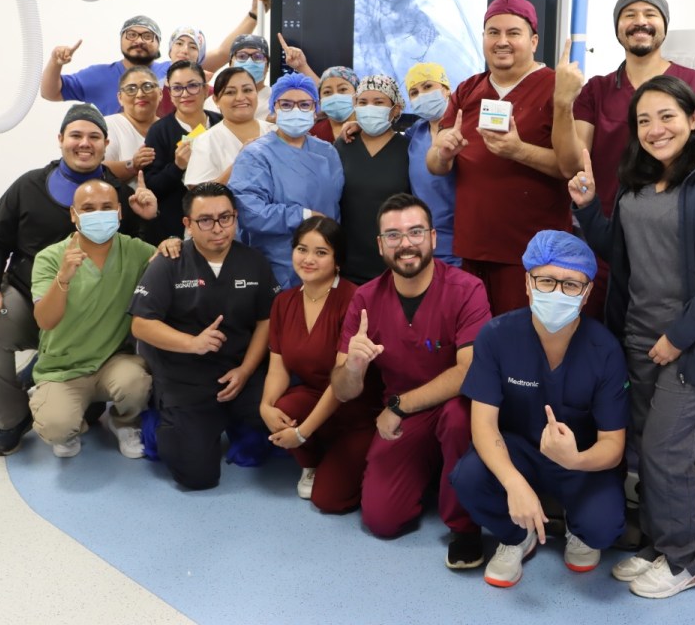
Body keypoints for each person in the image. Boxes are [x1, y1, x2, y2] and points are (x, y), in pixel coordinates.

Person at [572, 75, 695, 599]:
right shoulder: (635, 181)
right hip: (637, 338)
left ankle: (685, 560)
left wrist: (677, 336)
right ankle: (657, 545)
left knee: (665, 452)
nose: (655, 129)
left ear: (694, 118)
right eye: (643, 120)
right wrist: (588, 208)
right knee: (643, 451)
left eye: (667, 116)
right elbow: (621, 249)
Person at [0, 104, 160, 456]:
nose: (85, 143)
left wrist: (148, 220)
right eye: (76, 135)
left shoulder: (119, 195)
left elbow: (143, 253)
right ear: (60, 140)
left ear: (105, 143)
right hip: (28, 295)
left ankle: (90, 394)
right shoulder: (28, 187)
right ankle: (13, 417)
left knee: (130, 352)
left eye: (94, 137)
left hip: (95, 307)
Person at [450, 230, 628, 588]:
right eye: (546, 281)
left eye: (571, 285)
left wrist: (574, 460)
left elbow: (613, 444)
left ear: (588, 292)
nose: (557, 293)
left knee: (603, 528)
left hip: (581, 459)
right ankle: (517, 537)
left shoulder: (604, 349)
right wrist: (513, 481)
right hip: (519, 451)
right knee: (467, 478)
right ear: (528, 283)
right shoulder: (496, 336)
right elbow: (483, 426)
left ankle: (579, 529)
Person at [330, 193, 491, 569]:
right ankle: (435, 474)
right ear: (380, 245)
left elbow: (470, 371)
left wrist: (398, 406)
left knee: (457, 419)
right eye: (393, 235)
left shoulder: (467, 290)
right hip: (405, 419)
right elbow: (343, 390)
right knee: (382, 520)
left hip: (449, 407)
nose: (406, 243)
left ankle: (464, 527)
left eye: (416, 232)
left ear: (434, 238)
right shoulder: (365, 299)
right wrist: (353, 366)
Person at [426, 0, 570, 315]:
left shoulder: (556, 88)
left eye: (513, 33)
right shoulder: (468, 90)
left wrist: (520, 151)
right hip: (474, 248)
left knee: (522, 348)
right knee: (476, 344)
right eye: (493, 32)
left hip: (534, 255)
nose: (501, 41)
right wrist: (444, 152)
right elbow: (435, 165)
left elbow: (571, 167)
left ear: (533, 41)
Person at [129, 182, 278, 489]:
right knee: (197, 476)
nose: (218, 228)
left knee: (282, 418)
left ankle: (232, 422)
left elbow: (266, 321)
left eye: (226, 217)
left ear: (236, 217)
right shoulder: (169, 262)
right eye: (205, 221)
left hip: (239, 373)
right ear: (187, 224)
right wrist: (192, 344)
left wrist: (246, 370)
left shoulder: (253, 261)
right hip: (187, 378)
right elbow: (141, 324)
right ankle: (156, 420)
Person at [552, 0, 695, 216]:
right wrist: (562, 102)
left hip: (679, 223)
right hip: (609, 225)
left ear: (665, 26)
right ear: (617, 28)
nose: (640, 21)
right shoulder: (596, 90)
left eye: (650, 14)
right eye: (630, 15)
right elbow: (571, 165)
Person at [28, 179, 157, 458]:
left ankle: (123, 423)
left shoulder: (135, 251)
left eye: (106, 207)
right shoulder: (50, 258)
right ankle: (66, 418)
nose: (98, 214)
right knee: (57, 428)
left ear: (120, 212)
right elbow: (45, 321)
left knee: (135, 383)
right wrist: (63, 279)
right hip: (63, 367)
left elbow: (169, 262)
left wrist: (172, 242)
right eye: (88, 208)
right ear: (74, 215)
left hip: (113, 360)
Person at [260, 217, 379, 511]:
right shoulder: (284, 302)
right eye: (302, 249)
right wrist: (265, 406)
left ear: (337, 260)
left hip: (357, 409)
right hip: (314, 399)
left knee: (329, 501)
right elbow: (278, 368)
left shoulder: (354, 299)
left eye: (321, 252)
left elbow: (342, 386)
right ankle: (311, 462)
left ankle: (363, 462)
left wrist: (301, 433)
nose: (308, 259)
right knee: (282, 408)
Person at [228, 73, 343, 288]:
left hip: (324, 268)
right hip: (275, 268)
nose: (296, 110)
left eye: (304, 104)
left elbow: (335, 209)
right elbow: (249, 212)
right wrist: (303, 216)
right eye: (287, 104)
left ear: (315, 110)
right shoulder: (256, 155)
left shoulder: (328, 153)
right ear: (274, 109)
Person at [336, 74, 411, 284]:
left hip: (394, 265)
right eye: (363, 102)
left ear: (395, 109)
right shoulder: (343, 145)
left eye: (379, 102)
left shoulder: (408, 149)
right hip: (347, 266)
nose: (370, 108)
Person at [142, 60, 223, 243]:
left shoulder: (222, 124)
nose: (185, 94)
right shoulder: (159, 131)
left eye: (193, 86)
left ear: (205, 90)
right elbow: (152, 187)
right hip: (176, 230)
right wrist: (177, 166)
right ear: (170, 94)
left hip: (222, 222)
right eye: (177, 88)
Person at [42, 15, 170, 115]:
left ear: (159, 44)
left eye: (147, 36)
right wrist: (55, 63)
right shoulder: (97, 76)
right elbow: (51, 93)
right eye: (131, 35)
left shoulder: (172, 71)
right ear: (121, 40)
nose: (139, 40)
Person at [403, 62, 459, 266]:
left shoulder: (465, 129)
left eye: (428, 87)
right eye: (414, 92)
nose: (422, 95)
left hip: (460, 242)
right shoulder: (416, 132)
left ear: (446, 90)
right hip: (423, 241)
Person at [184, 67, 272, 187]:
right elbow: (197, 192)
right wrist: (239, 162)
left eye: (247, 90)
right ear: (216, 100)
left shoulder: (275, 132)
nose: (240, 97)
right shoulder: (206, 141)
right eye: (230, 92)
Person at [103, 65, 163, 187]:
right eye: (131, 89)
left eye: (147, 87)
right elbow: (97, 169)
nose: (140, 94)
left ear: (160, 93)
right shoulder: (107, 125)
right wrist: (133, 165)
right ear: (120, 98)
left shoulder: (169, 127)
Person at [311, 66, 359, 143]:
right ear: (320, 101)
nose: (335, 96)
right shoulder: (313, 134)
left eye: (343, 89)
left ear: (357, 94)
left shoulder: (368, 129)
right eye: (327, 92)